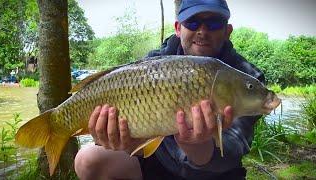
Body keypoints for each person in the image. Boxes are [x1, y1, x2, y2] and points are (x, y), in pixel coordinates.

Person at [74, 0, 265, 179]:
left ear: (227, 31)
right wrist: (128, 141)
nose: (202, 31)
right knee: (87, 159)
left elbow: (233, 150)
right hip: (162, 164)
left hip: (215, 173)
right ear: (178, 28)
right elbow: (143, 143)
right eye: (192, 22)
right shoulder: (154, 65)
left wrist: (198, 145)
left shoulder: (244, 79)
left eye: (214, 23)